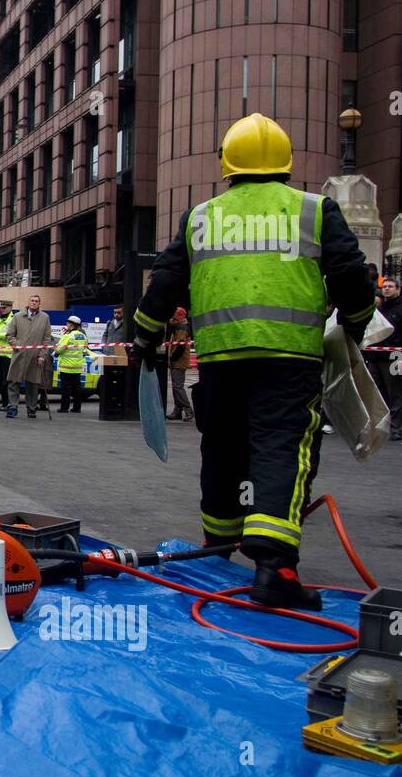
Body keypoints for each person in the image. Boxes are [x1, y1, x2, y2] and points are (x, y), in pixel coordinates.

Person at [132, 113, 374, 612]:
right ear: (286, 163)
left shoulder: (202, 216)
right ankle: (274, 570)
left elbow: (166, 283)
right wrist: (355, 323)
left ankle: (217, 552)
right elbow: (351, 277)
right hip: (289, 361)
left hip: (221, 359)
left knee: (221, 449)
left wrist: (144, 336)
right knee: (280, 450)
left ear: (228, 165)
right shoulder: (314, 210)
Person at [367, 277, 402, 443]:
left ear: (397, 289)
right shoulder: (379, 309)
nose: (386, 289)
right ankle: (381, 427)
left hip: (395, 357)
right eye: (385, 286)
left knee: (396, 393)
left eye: (390, 286)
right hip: (375, 356)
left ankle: (396, 428)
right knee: (378, 395)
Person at [5, 295, 53, 418]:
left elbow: (47, 338)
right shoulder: (18, 316)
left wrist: (42, 355)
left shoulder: (45, 318)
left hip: (35, 356)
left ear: (39, 303)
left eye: (36, 301)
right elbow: (10, 335)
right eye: (32, 301)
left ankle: (31, 408)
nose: (34, 303)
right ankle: (13, 407)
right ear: (28, 302)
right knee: (14, 381)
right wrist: (18, 345)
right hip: (19, 355)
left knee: (33, 383)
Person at [165, 306, 194, 422]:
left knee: (178, 386)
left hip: (179, 360)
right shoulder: (179, 325)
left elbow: (181, 345)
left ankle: (188, 410)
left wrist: (172, 358)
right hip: (176, 360)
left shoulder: (182, 327)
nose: (172, 318)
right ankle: (177, 411)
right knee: (175, 386)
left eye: (174, 316)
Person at [54, 316, 88, 413]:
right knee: (76, 388)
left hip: (66, 366)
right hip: (78, 366)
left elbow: (59, 349)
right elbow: (85, 348)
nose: (67, 325)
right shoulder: (83, 336)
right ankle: (77, 408)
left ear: (71, 325)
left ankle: (64, 408)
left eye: (68, 324)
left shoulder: (68, 336)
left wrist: (56, 348)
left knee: (66, 389)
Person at [0, 302, 14, 410]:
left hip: (7, 355)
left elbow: (10, 334)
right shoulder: (0, 319)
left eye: (4, 307)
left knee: (5, 381)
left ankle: (7, 404)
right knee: (0, 380)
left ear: (10, 307)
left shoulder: (12, 319)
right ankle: (5, 403)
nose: (2, 309)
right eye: (1, 307)